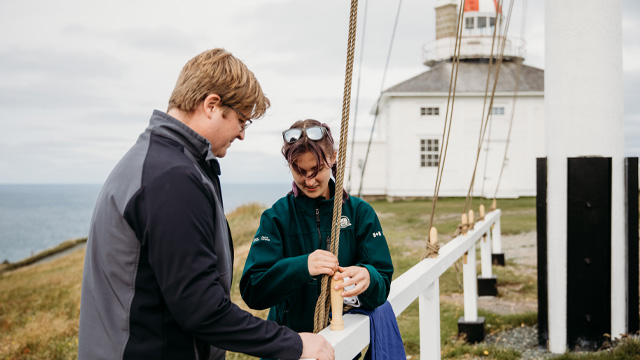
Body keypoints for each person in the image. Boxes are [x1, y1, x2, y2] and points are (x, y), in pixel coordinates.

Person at [78, 49, 334, 360]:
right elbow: (201, 308)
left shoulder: (152, 161)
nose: (241, 134)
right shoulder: (172, 178)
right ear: (212, 106)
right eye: (241, 120)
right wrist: (294, 344)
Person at [240, 119, 394, 342]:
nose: (309, 180)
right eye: (300, 171)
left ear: (333, 157)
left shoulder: (360, 213)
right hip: (288, 348)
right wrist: (302, 267)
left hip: (341, 346)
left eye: (317, 169)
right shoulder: (276, 217)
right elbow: (253, 291)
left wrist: (369, 278)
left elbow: (383, 284)